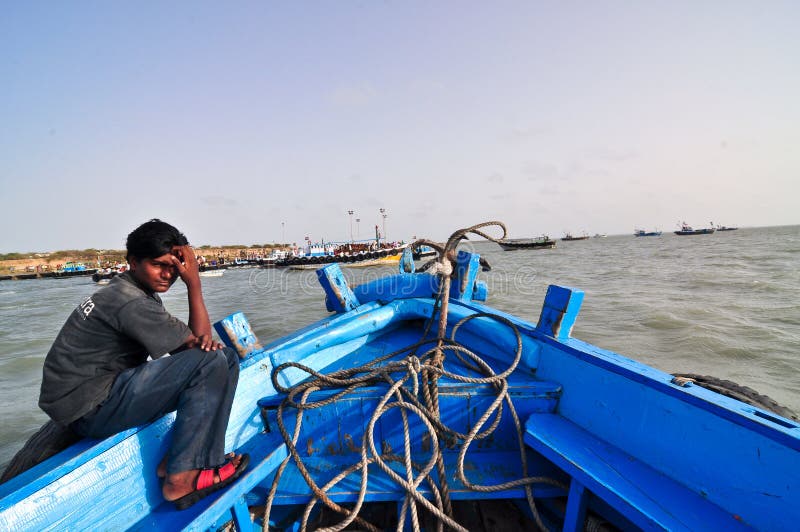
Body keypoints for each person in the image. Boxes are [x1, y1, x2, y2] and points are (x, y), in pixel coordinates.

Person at [38, 219, 248, 510]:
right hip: (90, 408)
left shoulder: (129, 291)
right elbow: (199, 345)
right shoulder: (129, 302)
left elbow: (201, 348)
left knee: (227, 358)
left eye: (175, 268)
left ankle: (195, 458)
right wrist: (194, 284)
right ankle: (181, 480)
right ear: (133, 262)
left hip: (94, 395)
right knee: (212, 359)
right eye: (158, 265)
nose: (168, 274)